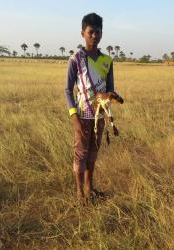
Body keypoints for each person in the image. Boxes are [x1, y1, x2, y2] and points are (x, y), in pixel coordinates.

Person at [65, 13, 114, 204]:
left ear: (102, 34)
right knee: (80, 154)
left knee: (93, 154)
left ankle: (90, 187)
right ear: (83, 33)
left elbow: (110, 89)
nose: (94, 36)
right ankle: (79, 193)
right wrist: (73, 116)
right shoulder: (75, 59)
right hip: (82, 117)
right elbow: (67, 90)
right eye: (90, 32)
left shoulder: (107, 61)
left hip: (98, 118)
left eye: (98, 32)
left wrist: (108, 98)